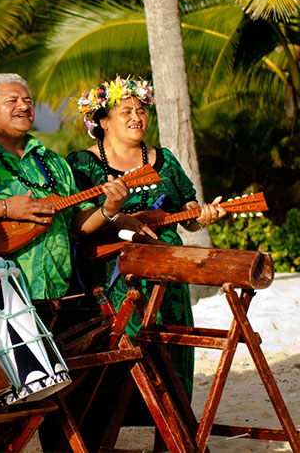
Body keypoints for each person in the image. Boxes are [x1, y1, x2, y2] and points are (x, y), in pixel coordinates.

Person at [65, 76, 225, 422]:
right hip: (112, 280)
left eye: (141, 109)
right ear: (102, 121)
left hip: (169, 275)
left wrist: (204, 216)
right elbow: (76, 225)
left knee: (172, 347)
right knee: (121, 355)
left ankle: (174, 428)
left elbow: (190, 216)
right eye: (126, 110)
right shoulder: (81, 165)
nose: (137, 116)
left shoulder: (164, 159)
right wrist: (116, 216)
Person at [0, 73, 131, 301]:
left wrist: (108, 209)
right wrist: (4, 208)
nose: (24, 106)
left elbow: (75, 224)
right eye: (13, 101)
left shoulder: (52, 161)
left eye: (28, 101)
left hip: (61, 294)